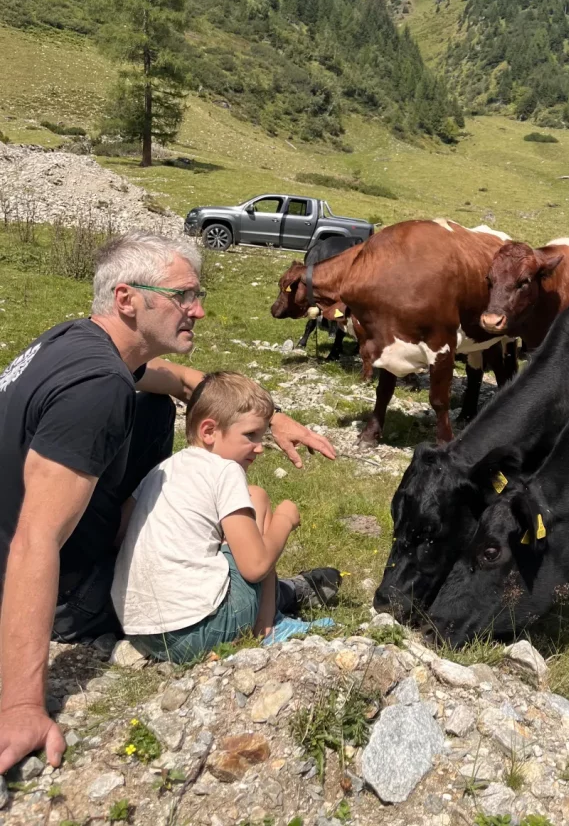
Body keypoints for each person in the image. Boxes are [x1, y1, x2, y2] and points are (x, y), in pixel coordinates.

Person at [0, 232, 336, 774]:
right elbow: (35, 539)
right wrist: (19, 706)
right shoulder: (99, 388)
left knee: (155, 402)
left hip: (64, 545)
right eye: (183, 296)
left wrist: (272, 420)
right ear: (128, 299)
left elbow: (183, 381)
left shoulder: (80, 342)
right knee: (246, 532)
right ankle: (284, 596)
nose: (198, 309)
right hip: (69, 597)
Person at [112, 371, 339, 663]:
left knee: (252, 499)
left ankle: (265, 618)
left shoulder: (161, 471)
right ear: (209, 431)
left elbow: (119, 534)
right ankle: (270, 626)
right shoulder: (225, 470)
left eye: (262, 436)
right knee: (258, 499)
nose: (259, 447)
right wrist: (284, 519)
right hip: (200, 630)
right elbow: (255, 567)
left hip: (142, 630)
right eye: (250, 435)